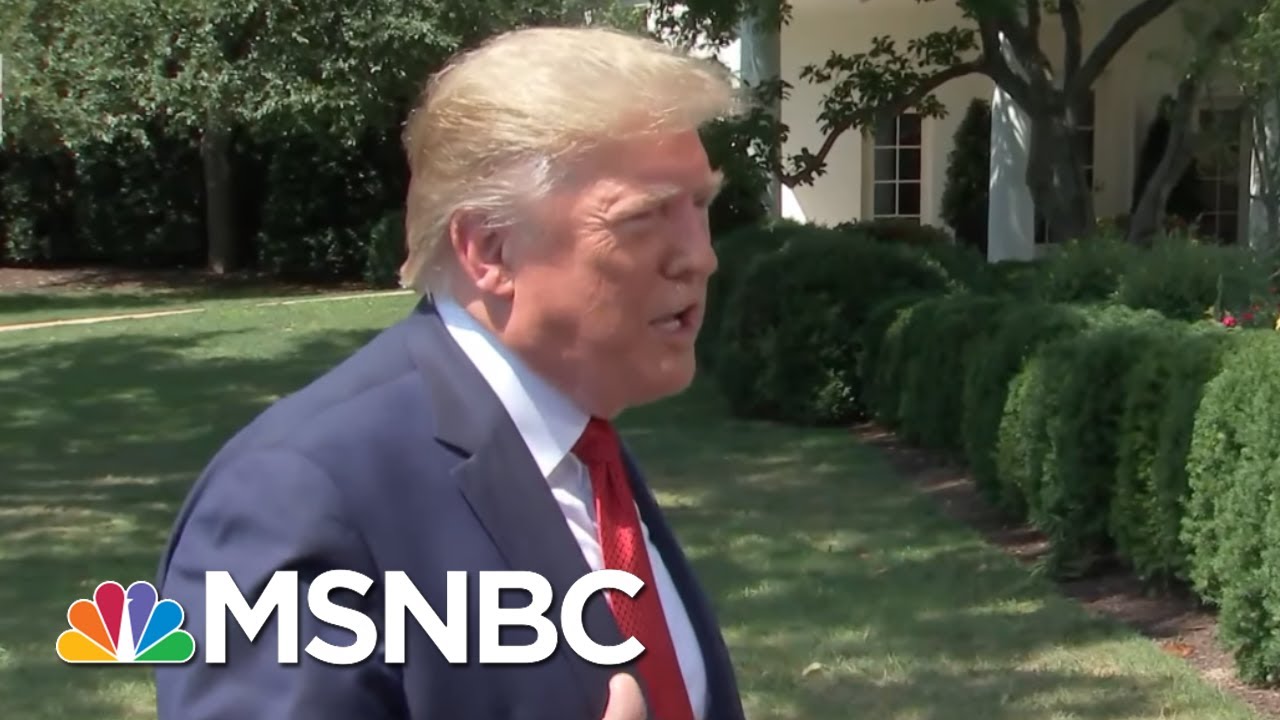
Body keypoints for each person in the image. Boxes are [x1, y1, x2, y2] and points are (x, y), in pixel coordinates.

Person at [153, 24, 748, 720]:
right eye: (643, 217)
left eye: (699, 206)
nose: (700, 257)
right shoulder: (293, 497)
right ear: (490, 250)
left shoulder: (584, 447)